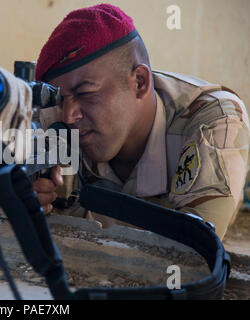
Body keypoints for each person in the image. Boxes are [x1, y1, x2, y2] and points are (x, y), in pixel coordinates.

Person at [32, 3, 249, 240]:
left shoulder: (212, 118)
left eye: (85, 93)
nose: (68, 115)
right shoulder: (51, 118)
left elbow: (195, 247)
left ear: (140, 82)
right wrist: (14, 198)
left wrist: (74, 219)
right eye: (61, 100)